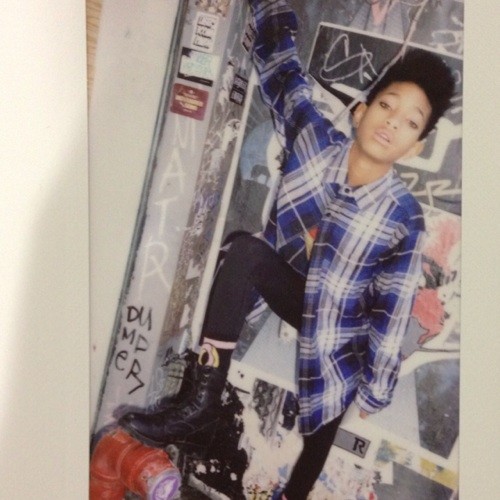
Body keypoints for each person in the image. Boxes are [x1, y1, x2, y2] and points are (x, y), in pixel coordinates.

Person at [119, 0, 455, 498]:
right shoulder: (314, 139)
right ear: (361, 110)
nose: (391, 123)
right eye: (387, 106)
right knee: (245, 253)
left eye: (411, 122)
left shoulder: (403, 216)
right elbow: (282, 73)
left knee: (324, 419)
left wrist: (375, 391)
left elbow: (391, 311)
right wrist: (267, 8)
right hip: (296, 293)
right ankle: (202, 403)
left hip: (344, 329)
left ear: (416, 146)